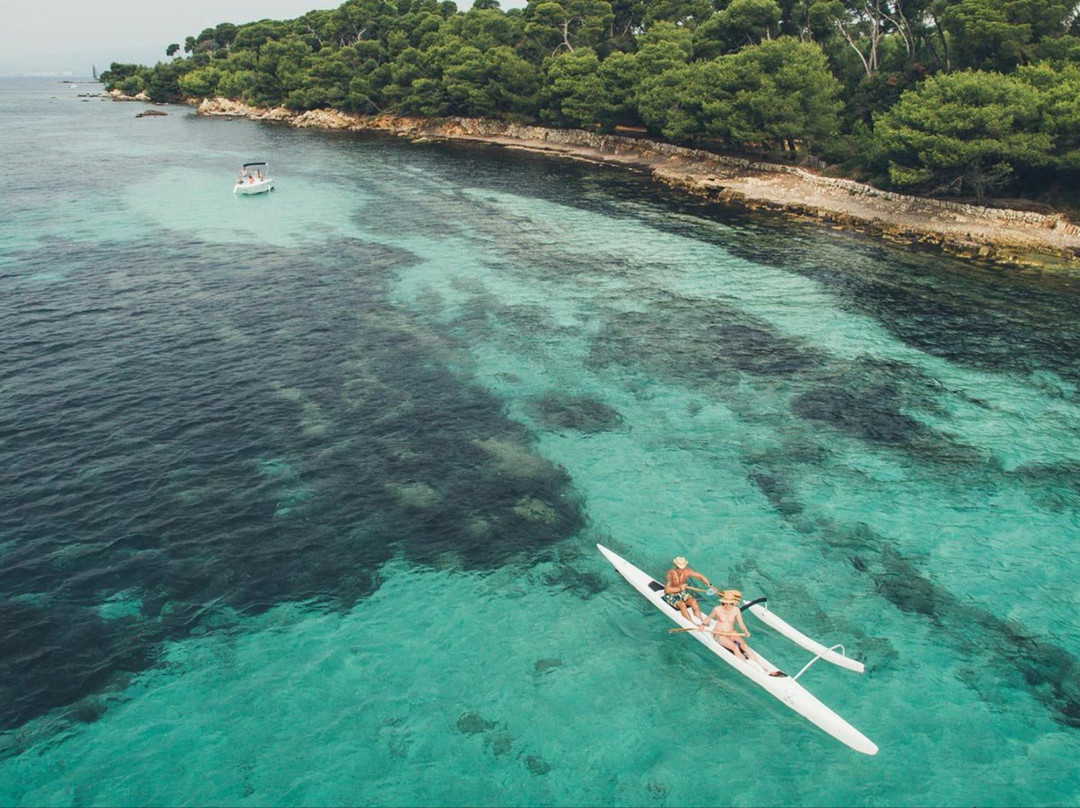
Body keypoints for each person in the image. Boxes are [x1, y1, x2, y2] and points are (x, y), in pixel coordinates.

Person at [706, 590, 785, 676]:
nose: (728, 605)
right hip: (720, 634)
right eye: (726, 603)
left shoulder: (736, 610)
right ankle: (746, 667)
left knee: (744, 646)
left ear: (733, 603)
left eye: (730, 603)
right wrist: (702, 625)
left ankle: (760, 666)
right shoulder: (717, 609)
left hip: (732, 633)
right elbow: (708, 618)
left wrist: (746, 631)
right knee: (735, 647)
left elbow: (741, 623)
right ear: (723, 602)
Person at [663, 556, 713, 625]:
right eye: (679, 568)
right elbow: (667, 590)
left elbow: (700, 576)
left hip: (682, 593)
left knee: (693, 601)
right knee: (682, 604)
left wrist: (710, 585)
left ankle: (702, 621)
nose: (681, 570)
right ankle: (691, 623)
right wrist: (680, 588)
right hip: (671, 595)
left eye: (682, 568)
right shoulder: (670, 574)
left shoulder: (687, 571)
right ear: (676, 566)